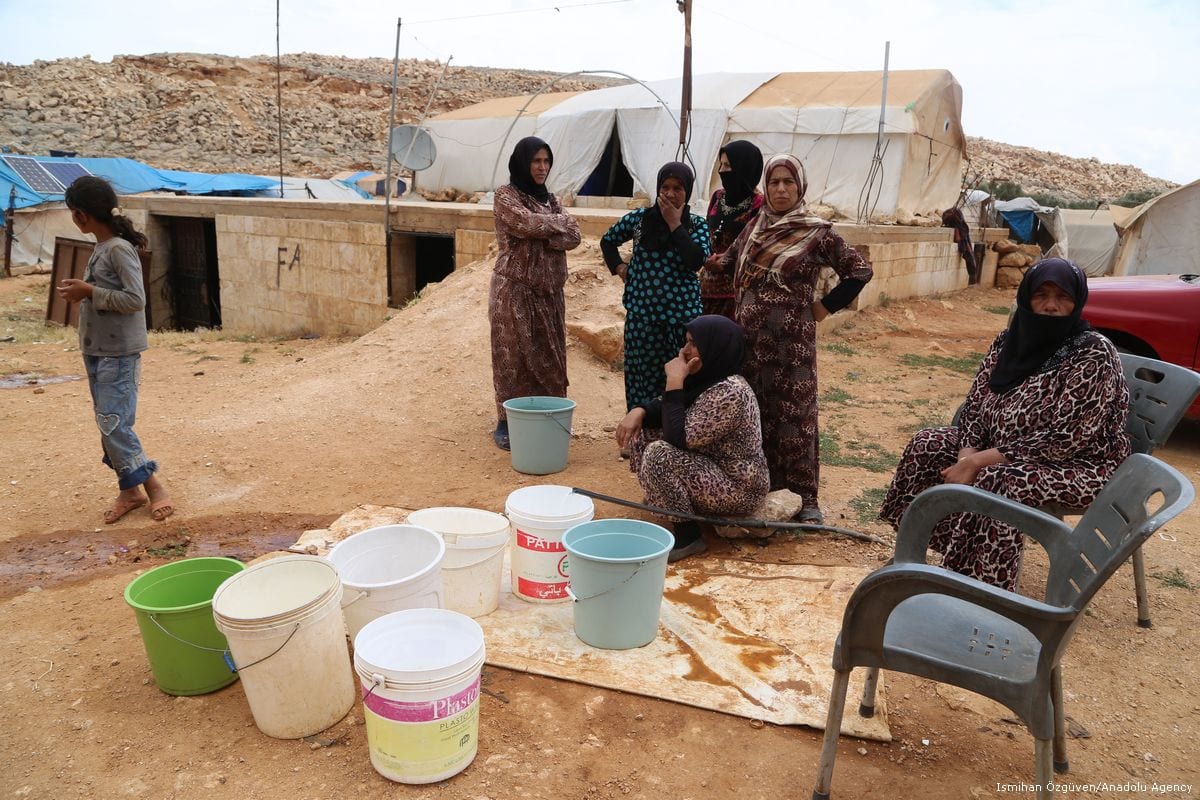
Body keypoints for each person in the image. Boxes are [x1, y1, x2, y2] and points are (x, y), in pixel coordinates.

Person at [878, 258, 1130, 591]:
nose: (1051, 306)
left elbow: (1065, 438)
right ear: (1026, 298)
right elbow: (974, 405)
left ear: (1077, 301)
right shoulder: (1008, 341)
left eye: (1063, 296)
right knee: (927, 444)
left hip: (1083, 467)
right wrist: (966, 454)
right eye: (1041, 294)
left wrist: (979, 462)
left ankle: (980, 584)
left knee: (999, 480)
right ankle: (919, 552)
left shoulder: (1092, 354)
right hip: (1002, 448)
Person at [716, 154, 873, 523]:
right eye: (774, 183)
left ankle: (805, 498)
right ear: (766, 188)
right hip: (750, 343)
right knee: (755, 414)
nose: (781, 189)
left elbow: (860, 271)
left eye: (788, 182)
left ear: (800, 186)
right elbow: (729, 261)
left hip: (793, 348)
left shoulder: (817, 232)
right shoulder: (755, 226)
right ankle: (760, 489)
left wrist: (823, 308)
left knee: (796, 417)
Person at [56, 176, 174, 524]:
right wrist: (86, 292)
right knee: (108, 424)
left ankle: (154, 489)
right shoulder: (102, 247)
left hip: (118, 353)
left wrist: (89, 292)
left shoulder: (119, 249)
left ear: (79, 215)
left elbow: (136, 300)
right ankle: (129, 491)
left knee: (115, 426)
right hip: (97, 351)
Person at [616, 315, 770, 561]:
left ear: (714, 347)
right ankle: (669, 500)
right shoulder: (710, 377)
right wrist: (640, 410)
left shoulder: (731, 392)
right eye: (685, 342)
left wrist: (675, 380)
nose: (684, 350)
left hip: (739, 487)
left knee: (659, 454)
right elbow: (669, 409)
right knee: (646, 428)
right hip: (712, 467)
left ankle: (688, 535)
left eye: (693, 344)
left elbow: (680, 437)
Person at [489, 136, 582, 450]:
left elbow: (574, 235)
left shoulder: (551, 199)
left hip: (550, 294)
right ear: (523, 163)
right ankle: (507, 421)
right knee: (513, 359)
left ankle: (549, 416)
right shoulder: (506, 195)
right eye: (536, 161)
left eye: (546, 161)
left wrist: (547, 231)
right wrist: (555, 227)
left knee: (550, 358)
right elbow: (523, 223)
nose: (542, 167)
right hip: (515, 291)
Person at [600, 162, 711, 413]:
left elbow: (696, 260)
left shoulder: (697, 225)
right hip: (642, 319)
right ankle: (638, 435)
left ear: (688, 191)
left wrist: (675, 225)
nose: (670, 194)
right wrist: (619, 268)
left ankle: (673, 432)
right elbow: (608, 241)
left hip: (681, 322)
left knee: (681, 376)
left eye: (678, 188)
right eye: (665, 187)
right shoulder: (640, 220)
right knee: (640, 377)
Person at [701, 140, 764, 319]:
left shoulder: (759, 204)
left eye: (728, 165)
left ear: (743, 167)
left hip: (736, 295)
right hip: (705, 288)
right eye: (721, 164)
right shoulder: (717, 196)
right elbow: (708, 234)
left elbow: (756, 247)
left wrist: (726, 261)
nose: (721, 170)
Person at [942, 207, 978, 283]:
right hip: (963, 236)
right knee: (970, 255)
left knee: (969, 255)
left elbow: (957, 239)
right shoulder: (960, 224)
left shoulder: (960, 226)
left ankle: (972, 275)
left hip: (964, 237)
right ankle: (973, 275)